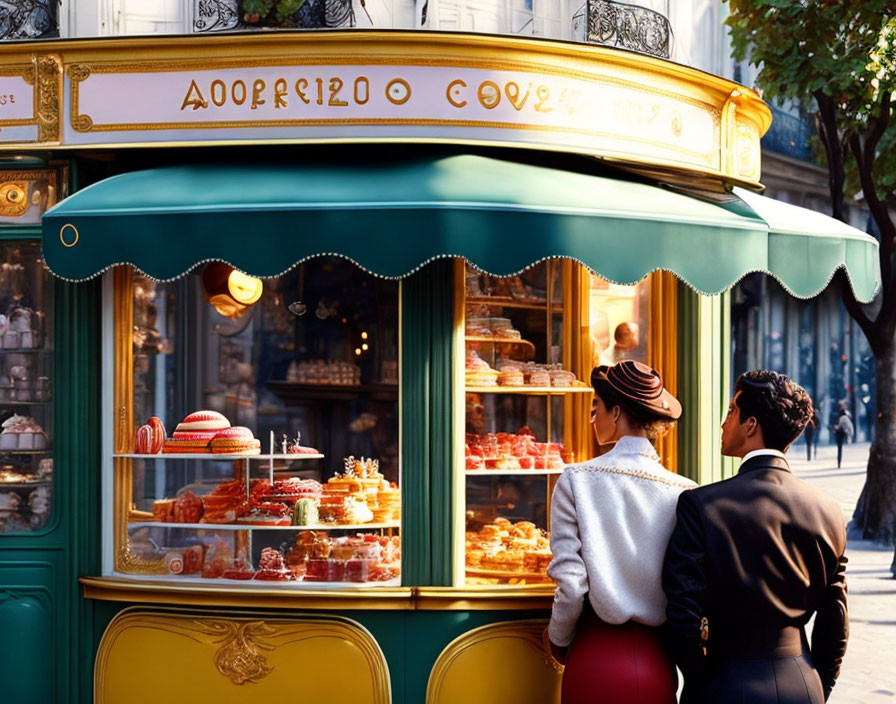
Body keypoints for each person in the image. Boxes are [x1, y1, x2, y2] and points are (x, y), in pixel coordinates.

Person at [663, 370, 848, 704]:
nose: (723, 423)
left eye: (731, 412)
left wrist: (700, 677)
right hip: (802, 683)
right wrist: (817, 684)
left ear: (751, 425)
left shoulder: (701, 505)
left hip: (723, 683)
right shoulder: (829, 511)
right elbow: (834, 624)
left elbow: (683, 612)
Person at [547, 360, 695, 704]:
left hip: (592, 659)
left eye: (595, 408)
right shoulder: (685, 491)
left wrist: (557, 639)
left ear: (616, 412)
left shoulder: (576, 480)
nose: (592, 418)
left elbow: (570, 585)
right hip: (657, 664)